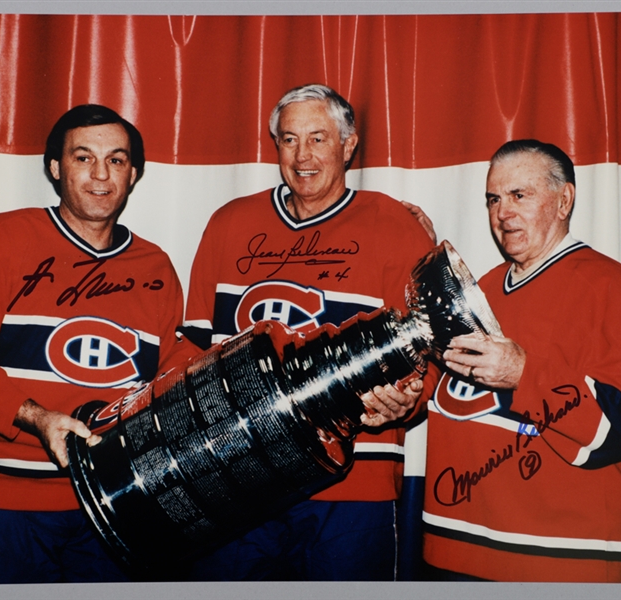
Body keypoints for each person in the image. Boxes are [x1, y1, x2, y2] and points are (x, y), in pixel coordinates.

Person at [0, 104, 193, 584]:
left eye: (116, 160)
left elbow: (171, 382)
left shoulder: (156, 267)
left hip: (114, 511)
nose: (100, 175)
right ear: (54, 167)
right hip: (1, 506)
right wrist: (39, 418)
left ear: (133, 174)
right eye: (83, 157)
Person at [180, 84, 435, 580]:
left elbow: (427, 355)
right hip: (240, 478)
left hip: (353, 486)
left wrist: (411, 400)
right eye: (289, 140)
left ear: (349, 144)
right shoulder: (230, 223)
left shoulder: (395, 226)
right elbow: (190, 347)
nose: (303, 156)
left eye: (318, 139)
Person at [419, 139, 621, 582]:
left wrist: (524, 374)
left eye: (519, 195)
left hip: (559, 560)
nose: (502, 212)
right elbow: (440, 392)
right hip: (451, 550)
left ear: (564, 200)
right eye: (493, 198)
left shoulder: (612, 286)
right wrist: (406, 396)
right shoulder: (479, 291)